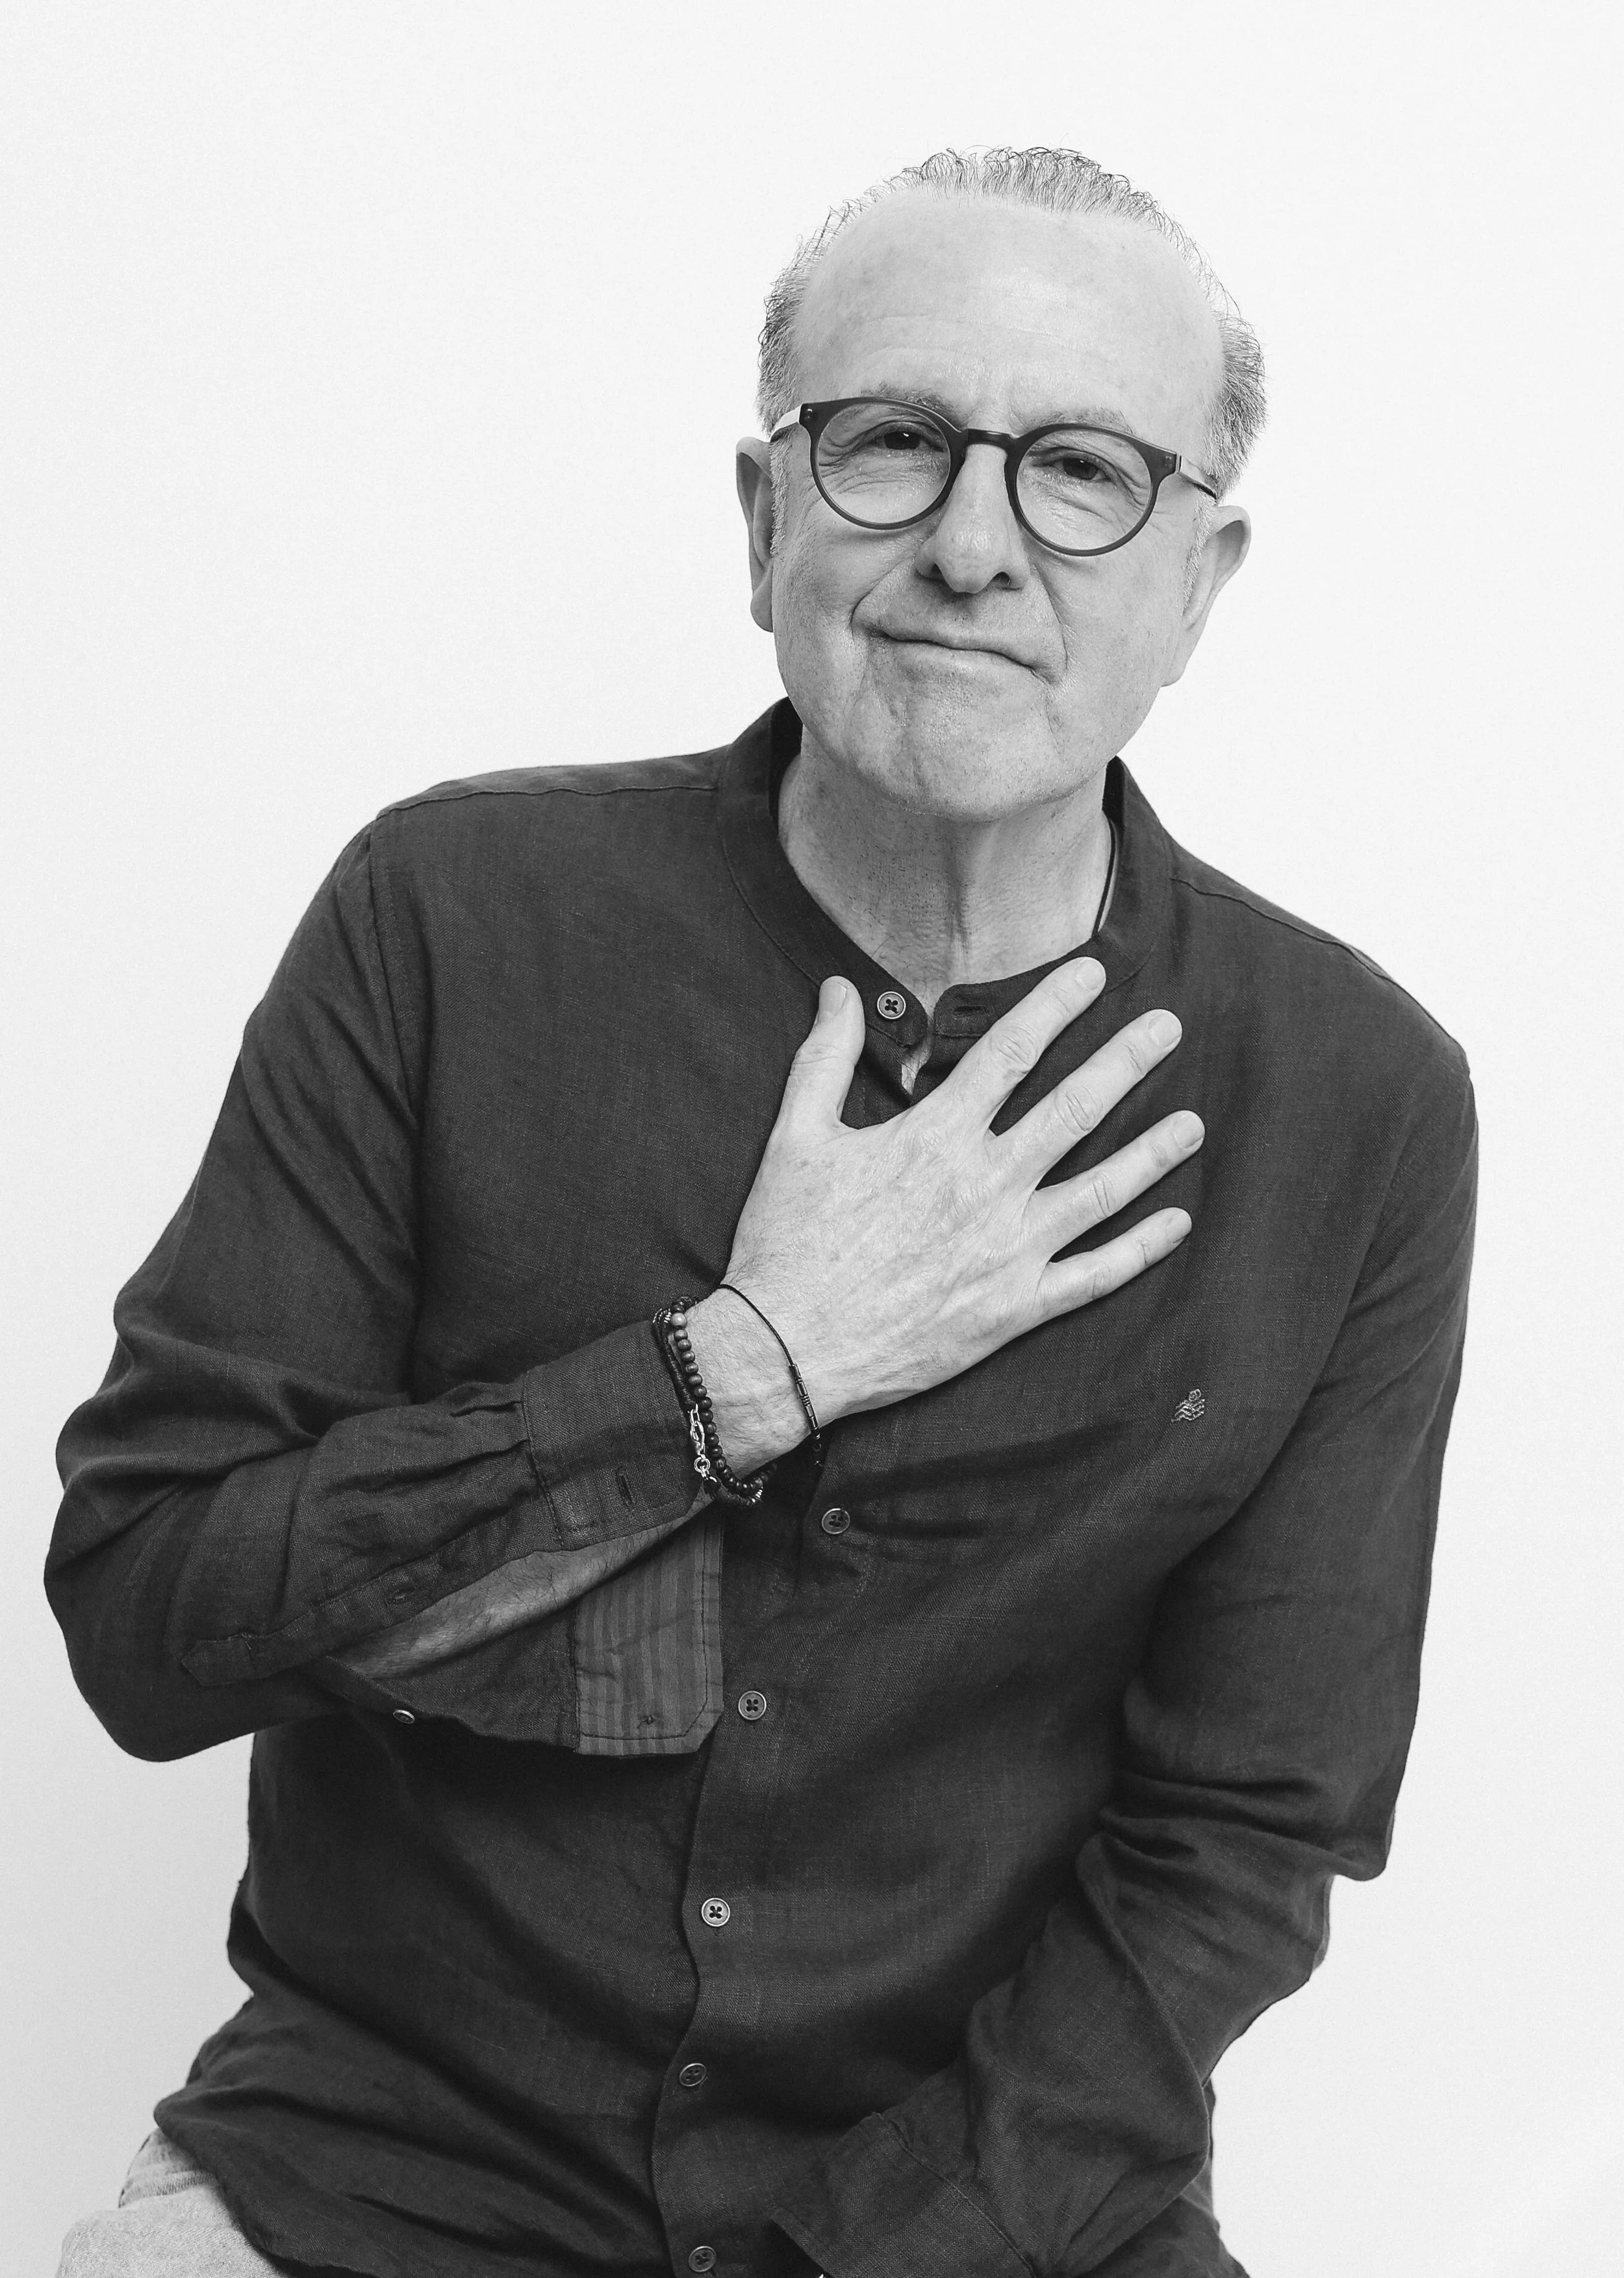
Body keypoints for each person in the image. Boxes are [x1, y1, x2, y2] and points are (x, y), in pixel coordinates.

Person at [49, 146, 1477, 2278]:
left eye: (1083, 471)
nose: (975, 547)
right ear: (764, 521)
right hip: (396, 2171)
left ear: (1199, 579)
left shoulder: (1354, 1101)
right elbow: (152, 1618)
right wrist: (745, 1367)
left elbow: (1236, 1839)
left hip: (996, 2215)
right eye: (892, 444)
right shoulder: (451, 922)